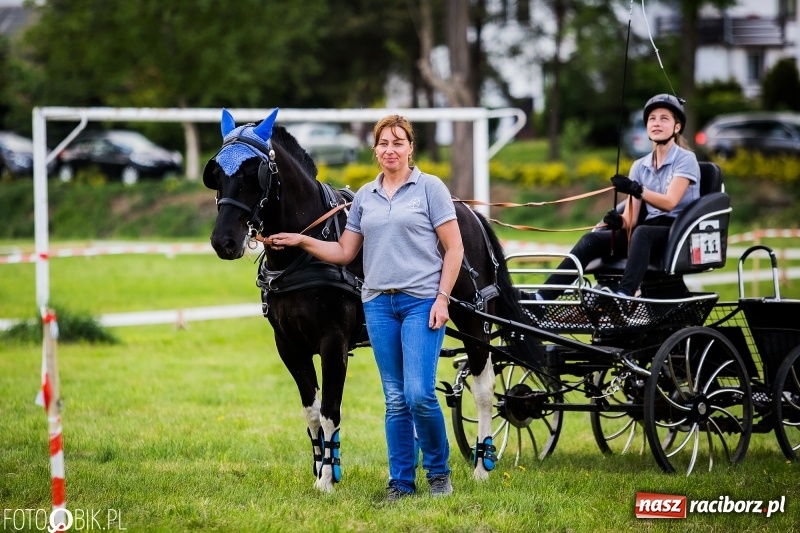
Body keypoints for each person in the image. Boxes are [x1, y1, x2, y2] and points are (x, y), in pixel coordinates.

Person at [267, 115, 464, 501]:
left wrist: (442, 298)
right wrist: (300, 241)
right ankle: (401, 483)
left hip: (422, 302)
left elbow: (454, 248)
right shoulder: (365, 198)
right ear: (375, 150)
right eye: (383, 144)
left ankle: (439, 473)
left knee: (419, 393)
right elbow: (344, 251)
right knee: (394, 398)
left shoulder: (430, 189)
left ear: (410, 148)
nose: (390, 150)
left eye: (398, 142)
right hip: (377, 304)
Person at [533, 94, 700, 303]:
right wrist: (617, 221)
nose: (656, 123)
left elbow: (670, 203)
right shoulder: (639, 166)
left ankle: (625, 294)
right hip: (646, 232)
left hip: (677, 231)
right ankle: (541, 298)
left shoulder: (686, 159)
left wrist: (637, 190)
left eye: (664, 118)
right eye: (652, 119)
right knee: (591, 240)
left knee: (642, 233)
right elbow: (631, 220)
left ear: (677, 127)